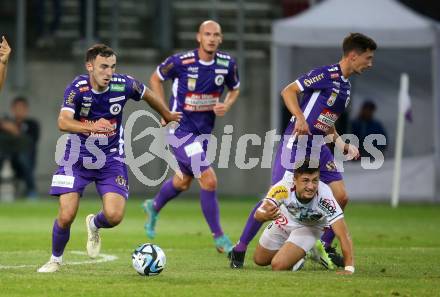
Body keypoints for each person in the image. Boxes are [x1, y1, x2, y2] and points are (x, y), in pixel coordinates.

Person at [230, 32, 376, 268]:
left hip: (319, 146)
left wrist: (340, 143)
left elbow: (326, 121)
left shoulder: (346, 87)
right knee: (273, 198)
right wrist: (298, 117)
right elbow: (288, 91)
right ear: (352, 55)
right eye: (368, 58)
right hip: (296, 143)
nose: (370, 64)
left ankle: (323, 247)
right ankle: (240, 247)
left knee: (341, 196)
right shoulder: (326, 74)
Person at [37, 44, 181, 273]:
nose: (109, 72)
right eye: (104, 67)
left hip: (111, 158)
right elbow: (63, 122)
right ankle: (55, 259)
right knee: (66, 215)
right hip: (76, 157)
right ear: (90, 66)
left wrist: (167, 115)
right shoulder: (77, 88)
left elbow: (147, 94)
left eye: (112, 67)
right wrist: (92, 127)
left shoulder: (123, 84)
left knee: (114, 216)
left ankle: (94, 224)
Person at [142, 20, 240, 253]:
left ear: (221, 38)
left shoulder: (227, 63)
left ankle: (153, 207)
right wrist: (164, 111)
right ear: (199, 37)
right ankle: (219, 237)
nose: (212, 38)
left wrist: (226, 104)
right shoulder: (181, 61)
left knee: (183, 182)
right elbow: (155, 77)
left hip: (203, 132)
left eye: (216, 34)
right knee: (209, 179)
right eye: (207, 34)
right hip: (180, 130)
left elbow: (234, 88)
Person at [253, 158, 354, 274]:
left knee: (278, 265)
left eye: (315, 180)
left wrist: (349, 268)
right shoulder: (283, 187)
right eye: (305, 180)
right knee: (260, 260)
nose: (311, 186)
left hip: (309, 228)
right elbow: (259, 213)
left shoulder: (325, 197)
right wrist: (264, 215)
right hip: (285, 221)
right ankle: (303, 251)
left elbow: (343, 234)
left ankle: (308, 250)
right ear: (294, 180)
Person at [0, 97, 40, 198]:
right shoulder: (6, 123)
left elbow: (31, 142)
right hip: (8, 156)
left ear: (26, 109)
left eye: (22, 108)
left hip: (26, 159)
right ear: (12, 109)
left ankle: (31, 191)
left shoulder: (32, 124)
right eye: (17, 108)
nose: (19, 111)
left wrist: (15, 130)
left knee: (23, 159)